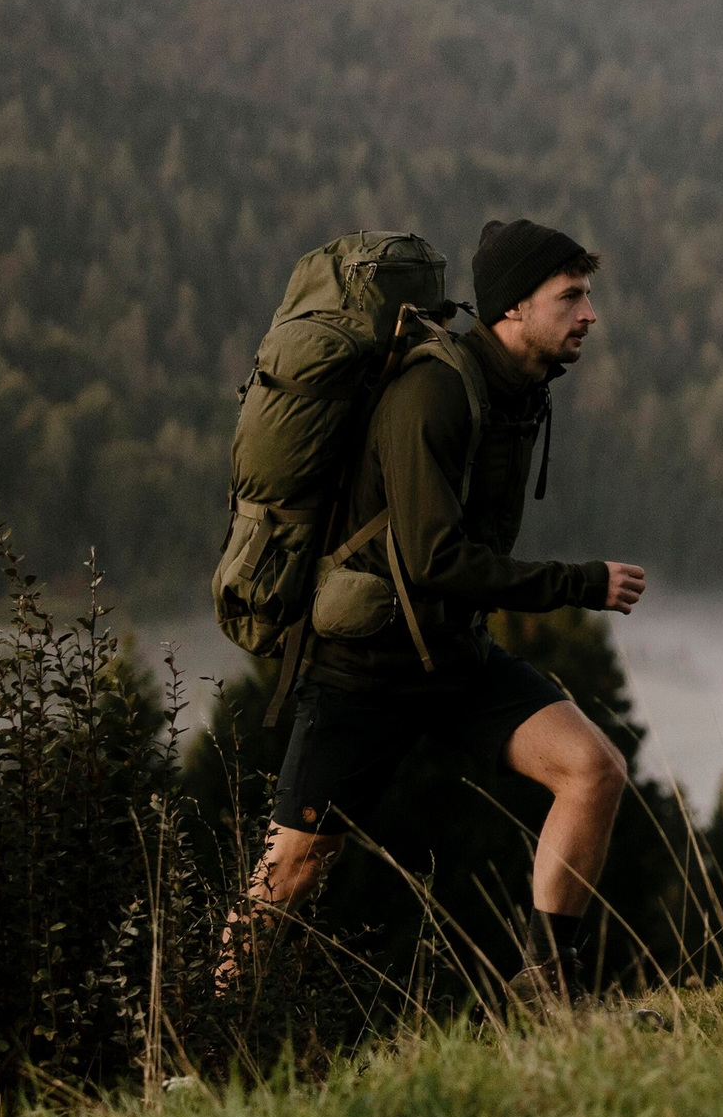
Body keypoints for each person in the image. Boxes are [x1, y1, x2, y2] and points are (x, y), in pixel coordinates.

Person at [230, 218, 646, 1001]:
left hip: (451, 657)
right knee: (289, 872)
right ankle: (196, 1048)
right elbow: (432, 561)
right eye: (572, 296)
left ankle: (548, 994)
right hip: (364, 667)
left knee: (594, 771)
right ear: (513, 310)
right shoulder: (433, 391)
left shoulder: (519, 391)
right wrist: (579, 583)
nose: (590, 314)